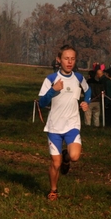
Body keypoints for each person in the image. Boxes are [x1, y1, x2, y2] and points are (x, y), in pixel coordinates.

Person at [38, 45, 91, 201]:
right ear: (59, 60)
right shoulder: (50, 79)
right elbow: (41, 103)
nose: (69, 62)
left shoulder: (79, 78)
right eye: (66, 58)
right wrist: (53, 90)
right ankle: (53, 190)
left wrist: (86, 102)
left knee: (74, 156)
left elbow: (88, 90)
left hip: (72, 125)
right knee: (55, 164)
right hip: (54, 126)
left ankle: (66, 158)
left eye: (72, 59)